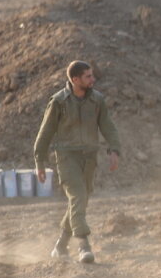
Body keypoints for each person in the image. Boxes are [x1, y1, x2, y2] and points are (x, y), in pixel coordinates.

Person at [33, 60, 122, 264]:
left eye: (92, 75)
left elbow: (108, 126)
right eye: (88, 76)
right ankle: (84, 247)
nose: (93, 79)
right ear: (75, 80)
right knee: (78, 196)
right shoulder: (59, 102)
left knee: (80, 200)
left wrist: (114, 149)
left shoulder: (97, 100)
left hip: (89, 158)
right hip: (66, 157)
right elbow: (45, 132)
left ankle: (60, 246)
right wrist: (40, 161)